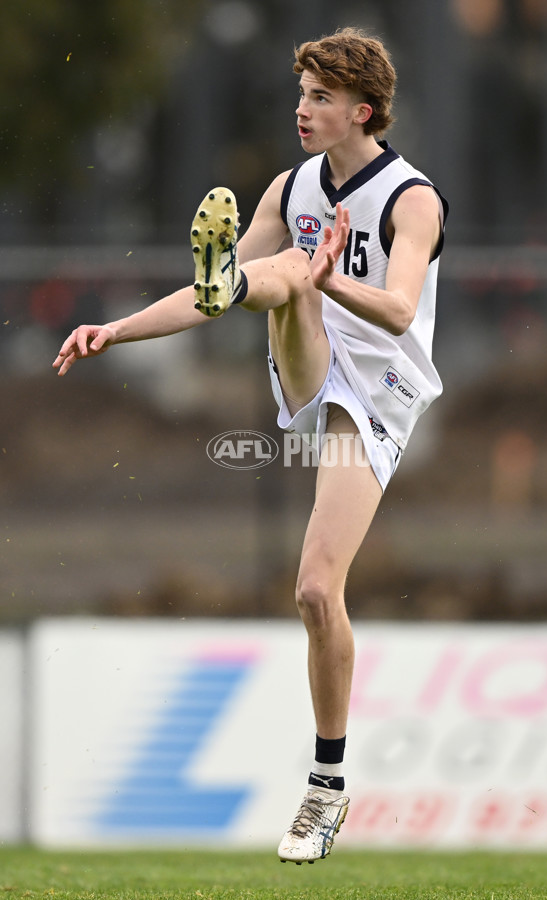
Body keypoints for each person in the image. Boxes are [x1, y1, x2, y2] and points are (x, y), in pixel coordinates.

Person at [53, 27, 448, 863]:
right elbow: (204, 298)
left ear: (361, 111)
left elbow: (405, 311)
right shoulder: (292, 187)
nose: (301, 110)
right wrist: (114, 330)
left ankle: (325, 789)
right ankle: (260, 284)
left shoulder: (412, 198)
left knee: (313, 591)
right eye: (300, 94)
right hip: (308, 354)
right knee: (265, 282)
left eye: (319, 99)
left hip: (379, 393)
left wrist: (329, 275)